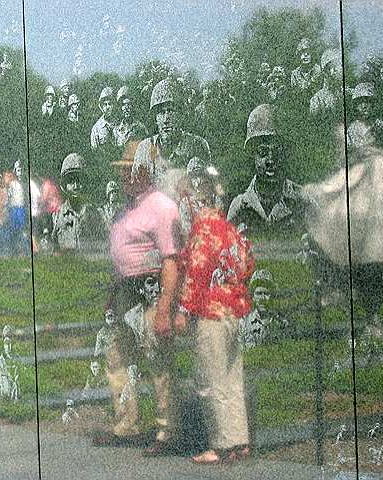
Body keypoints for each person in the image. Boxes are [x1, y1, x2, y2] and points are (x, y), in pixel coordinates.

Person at [94, 142, 182, 456]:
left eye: (127, 169)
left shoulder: (161, 206)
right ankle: (125, 425)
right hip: (124, 293)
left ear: (143, 171)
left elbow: (171, 259)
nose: (122, 175)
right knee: (117, 358)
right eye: (120, 170)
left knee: (158, 360)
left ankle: (167, 430)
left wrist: (164, 307)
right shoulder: (124, 208)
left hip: (151, 291)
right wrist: (111, 297)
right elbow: (121, 258)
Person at [175, 169, 255, 465]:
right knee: (233, 379)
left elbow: (196, 273)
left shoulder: (202, 230)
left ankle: (220, 446)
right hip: (235, 311)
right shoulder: (228, 227)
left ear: (195, 201)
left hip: (210, 313)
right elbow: (248, 263)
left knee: (211, 379)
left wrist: (183, 311)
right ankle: (239, 440)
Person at [227, 104, 307, 234]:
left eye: (277, 152)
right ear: (253, 155)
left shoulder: (303, 201)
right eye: (263, 152)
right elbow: (225, 251)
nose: (270, 160)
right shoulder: (239, 207)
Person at [132, 79, 211, 201]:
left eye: (170, 111)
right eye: (161, 113)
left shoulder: (197, 145)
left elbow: (208, 193)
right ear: (155, 118)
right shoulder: (144, 149)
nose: (165, 119)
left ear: (180, 114)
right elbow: (136, 194)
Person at [52, 153, 98, 252]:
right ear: (64, 184)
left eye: (79, 180)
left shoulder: (95, 213)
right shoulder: (57, 216)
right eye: (71, 181)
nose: (76, 186)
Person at [310, 49, 342, 115]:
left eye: (339, 65)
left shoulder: (347, 93)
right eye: (332, 66)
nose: (336, 70)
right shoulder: (317, 99)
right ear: (325, 72)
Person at [91, 87, 116, 151]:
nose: (107, 107)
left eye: (110, 104)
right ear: (101, 106)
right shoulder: (96, 128)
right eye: (105, 104)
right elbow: (94, 151)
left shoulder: (120, 123)